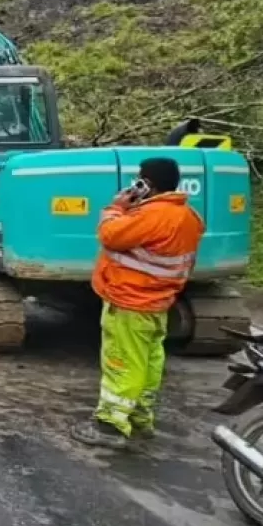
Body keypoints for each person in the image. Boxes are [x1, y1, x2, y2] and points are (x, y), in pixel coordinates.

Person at [71, 158, 204, 449]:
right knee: (149, 362)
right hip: (158, 303)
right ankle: (140, 417)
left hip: (131, 302)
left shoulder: (153, 215)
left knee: (122, 362)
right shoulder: (188, 216)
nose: (135, 184)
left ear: (149, 184)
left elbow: (110, 235)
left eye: (140, 180)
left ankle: (110, 425)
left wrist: (115, 207)